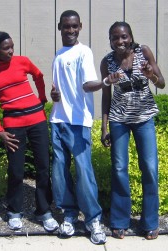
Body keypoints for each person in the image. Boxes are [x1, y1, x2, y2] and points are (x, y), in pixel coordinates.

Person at [0, 31, 59, 232]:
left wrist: (42, 98)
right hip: (13, 126)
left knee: (43, 167)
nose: (11, 51)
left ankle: (44, 211)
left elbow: (38, 75)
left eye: (12, 47)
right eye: (6, 48)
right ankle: (14, 211)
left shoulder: (22, 61)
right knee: (16, 170)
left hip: (37, 121)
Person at [100, 21, 165, 240]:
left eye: (124, 36)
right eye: (115, 38)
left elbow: (162, 83)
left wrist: (150, 76)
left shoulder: (143, 52)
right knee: (119, 168)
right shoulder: (107, 62)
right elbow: (106, 96)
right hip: (119, 120)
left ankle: (150, 222)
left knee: (149, 167)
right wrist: (104, 126)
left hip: (144, 118)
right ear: (110, 40)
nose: (120, 41)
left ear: (130, 36)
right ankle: (119, 221)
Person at [50, 10, 107, 245]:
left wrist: (104, 82)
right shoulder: (58, 54)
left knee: (84, 172)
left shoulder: (84, 51)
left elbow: (87, 84)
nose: (70, 30)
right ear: (59, 27)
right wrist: (54, 96)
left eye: (74, 26)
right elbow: (58, 90)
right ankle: (70, 214)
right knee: (59, 173)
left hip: (78, 122)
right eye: (66, 26)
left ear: (80, 26)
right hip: (58, 120)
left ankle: (93, 219)